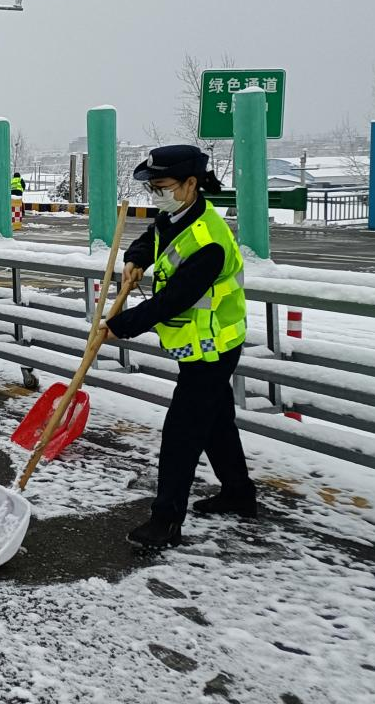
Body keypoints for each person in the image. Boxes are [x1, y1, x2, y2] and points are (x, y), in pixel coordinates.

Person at [102, 144, 256, 549]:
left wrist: (120, 326)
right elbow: (154, 237)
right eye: (152, 187)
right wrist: (136, 258)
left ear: (191, 183)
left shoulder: (209, 240)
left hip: (213, 347)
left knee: (182, 433)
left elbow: (174, 300)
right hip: (198, 345)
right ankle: (239, 494)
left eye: (163, 186)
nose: (157, 194)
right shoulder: (177, 214)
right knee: (217, 421)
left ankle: (166, 521)